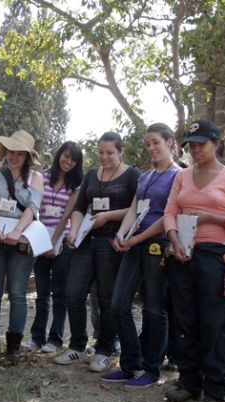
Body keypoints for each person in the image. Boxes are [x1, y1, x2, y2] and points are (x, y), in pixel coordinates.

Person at [163, 118, 225, 402]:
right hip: (183, 252)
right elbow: (170, 212)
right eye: (191, 145)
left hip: (216, 255)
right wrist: (174, 239)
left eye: (202, 144)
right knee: (185, 318)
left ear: (217, 143)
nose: (196, 150)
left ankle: (216, 389)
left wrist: (211, 218)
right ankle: (190, 381)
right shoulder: (183, 176)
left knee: (213, 321)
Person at [101, 123, 182, 388]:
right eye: (147, 144)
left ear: (170, 143)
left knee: (154, 309)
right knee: (118, 304)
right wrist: (122, 235)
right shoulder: (145, 177)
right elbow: (135, 208)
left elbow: (169, 216)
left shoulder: (179, 176)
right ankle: (130, 364)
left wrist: (136, 238)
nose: (151, 148)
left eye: (156, 142)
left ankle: (152, 368)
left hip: (157, 246)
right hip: (133, 247)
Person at [55, 132, 140, 372]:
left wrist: (109, 216)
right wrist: (73, 231)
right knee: (73, 292)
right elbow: (80, 207)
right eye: (101, 152)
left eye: (110, 153)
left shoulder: (132, 174)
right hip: (85, 241)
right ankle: (77, 345)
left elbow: (139, 209)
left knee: (106, 298)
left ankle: (105, 349)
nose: (104, 157)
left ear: (121, 152)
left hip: (112, 243)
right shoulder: (92, 174)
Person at [0, 130, 44, 363]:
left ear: (27, 156)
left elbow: (32, 208)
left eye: (19, 153)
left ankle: (13, 345)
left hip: (22, 240)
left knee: (17, 294)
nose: (14, 157)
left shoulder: (35, 178)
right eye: (10, 151)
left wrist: (17, 232)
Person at [25, 141, 83, 353]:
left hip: (62, 240)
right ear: (60, 155)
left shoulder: (76, 185)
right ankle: (36, 337)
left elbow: (67, 214)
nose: (68, 162)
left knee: (59, 293)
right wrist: (40, 240)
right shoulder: (42, 177)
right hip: (39, 238)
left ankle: (55, 339)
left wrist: (54, 243)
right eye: (66, 156)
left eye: (73, 159)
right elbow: (34, 208)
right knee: (41, 293)